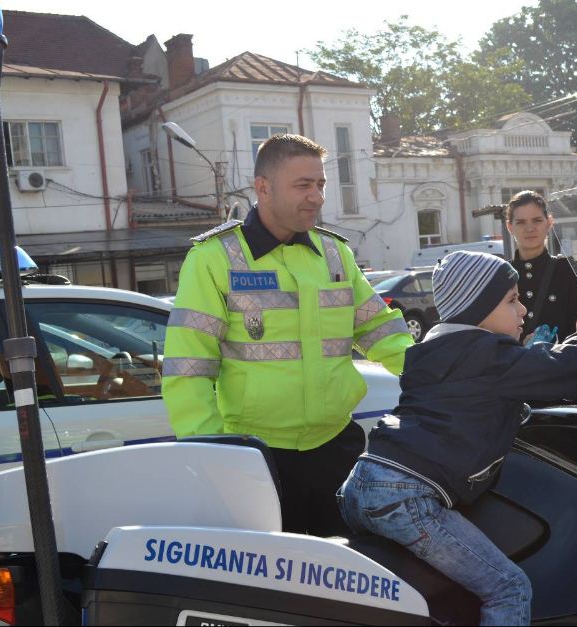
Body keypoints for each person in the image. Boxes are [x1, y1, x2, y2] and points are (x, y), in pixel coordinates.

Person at [337, 251, 577, 626]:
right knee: (509, 588)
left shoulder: (431, 353)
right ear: (477, 310)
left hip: (363, 485)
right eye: (512, 300)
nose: (523, 310)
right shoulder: (488, 355)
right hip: (408, 497)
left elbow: (480, 391)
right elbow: (563, 370)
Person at [163, 134, 413, 536]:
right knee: (279, 572)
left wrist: (436, 374)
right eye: (303, 185)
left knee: (349, 566)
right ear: (263, 187)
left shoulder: (334, 253)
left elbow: (378, 330)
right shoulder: (213, 259)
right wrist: (216, 456)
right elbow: (188, 370)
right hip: (258, 459)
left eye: (321, 184)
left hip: (337, 448)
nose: (316, 197)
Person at [506, 190, 577, 344]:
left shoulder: (568, 270)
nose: (529, 228)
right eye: (521, 222)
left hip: (563, 357)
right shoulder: (502, 274)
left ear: (549, 222)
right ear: (510, 227)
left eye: (537, 220)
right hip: (518, 359)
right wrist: (521, 346)